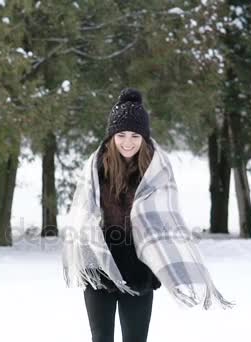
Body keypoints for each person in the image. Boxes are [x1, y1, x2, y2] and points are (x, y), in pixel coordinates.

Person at [62, 88, 233, 342]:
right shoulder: (95, 167)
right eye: (121, 135)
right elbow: (83, 212)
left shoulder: (156, 169)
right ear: (111, 136)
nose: (128, 142)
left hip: (138, 268)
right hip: (100, 265)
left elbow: (166, 216)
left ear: (144, 137)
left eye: (134, 135)